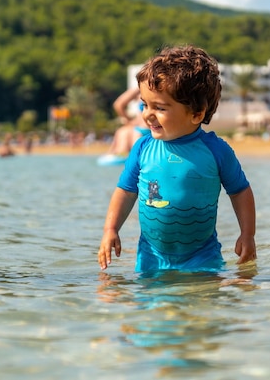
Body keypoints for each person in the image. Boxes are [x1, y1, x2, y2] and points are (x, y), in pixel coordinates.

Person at [98, 45, 257, 273]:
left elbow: (240, 191)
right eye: (145, 104)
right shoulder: (143, 148)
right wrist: (110, 229)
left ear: (196, 113)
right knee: (150, 305)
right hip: (151, 255)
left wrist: (247, 234)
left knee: (203, 301)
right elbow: (125, 190)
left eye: (159, 107)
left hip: (202, 256)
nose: (147, 114)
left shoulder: (216, 151)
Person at [106, 87, 149, 156]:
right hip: (141, 130)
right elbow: (118, 105)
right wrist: (130, 121)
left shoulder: (142, 87)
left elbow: (118, 104)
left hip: (146, 130)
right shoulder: (141, 87)